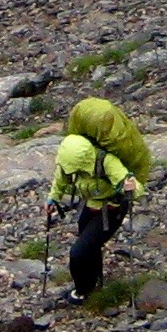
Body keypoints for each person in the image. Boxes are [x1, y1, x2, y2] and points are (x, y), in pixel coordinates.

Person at [46, 97, 150, 300]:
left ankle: (82, 292)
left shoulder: (107, 161)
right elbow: (61, 176)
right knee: (90, 248)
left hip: (111, 210)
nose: (70, 172)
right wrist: (53, 198)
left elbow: (127, 181)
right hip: (89, 207)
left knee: (78, 253)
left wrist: (131, 188)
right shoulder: (73, 161)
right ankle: (96, 284)